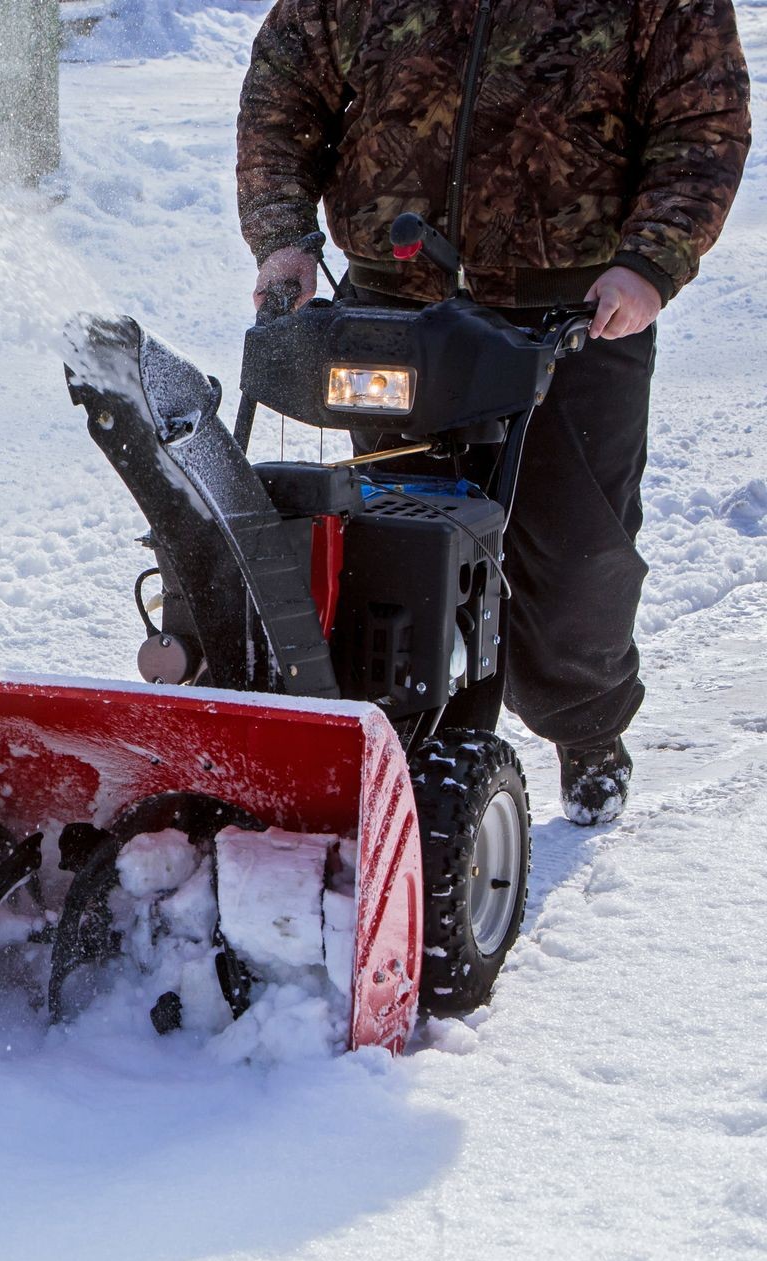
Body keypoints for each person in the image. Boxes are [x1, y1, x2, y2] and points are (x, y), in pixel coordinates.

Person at [235, 0, 751, 824]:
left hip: (575, 311)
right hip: (395, 307)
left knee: (579, 557)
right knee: (393, 540)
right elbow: (284, 92)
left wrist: (649, 263)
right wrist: (283, 236)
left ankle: (585, 727)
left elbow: (704, 122)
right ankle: (403, 747)